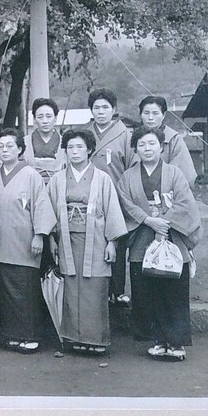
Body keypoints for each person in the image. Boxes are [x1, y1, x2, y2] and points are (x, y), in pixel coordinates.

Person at [116, 125, 202, 362]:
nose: (147, 148)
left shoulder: (174, 173)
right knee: (147, 293)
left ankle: (176, 343)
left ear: (161, 146)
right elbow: (124, 204)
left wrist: (164, 222)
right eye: (141, 144)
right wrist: (148, 220)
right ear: (135, 149)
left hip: (173, 238)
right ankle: (158, 340)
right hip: (142, 238)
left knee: (173, 292)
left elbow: (185, 202)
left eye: (152, 143)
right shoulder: (127, 177)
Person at [47, 129, 128, 355]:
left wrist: (112, 243)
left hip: (96, 238)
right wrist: (51, 239)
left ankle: (96, 339)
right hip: (66, 238)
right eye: (70, 147)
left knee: (95, 286)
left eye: (80, 147)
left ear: (90, 149)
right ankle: (72, 338)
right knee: (71, 287)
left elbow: (112, 211)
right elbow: (50, 210)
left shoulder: (102, 178)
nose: (75, 151)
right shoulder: (57, 179)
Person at [0, 127, 57, 354]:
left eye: (10, 145)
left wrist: (39, 235)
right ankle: (12, 334)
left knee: (26, 290)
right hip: (0, 240)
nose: (4, 150)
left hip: (25, 240)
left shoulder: (31, 174)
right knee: (6, 291)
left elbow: (41, 206)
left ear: (20, 149)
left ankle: (30, 335)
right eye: (0, 146)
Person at [88, 87, 136, 305]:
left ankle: (118, 290)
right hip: (90, 195)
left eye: (105, 107)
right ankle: (99, 290)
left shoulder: (125, 134)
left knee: (117, 241)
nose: (100, 112)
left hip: (117, 195)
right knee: (94, 242)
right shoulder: (84, 133)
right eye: (96, 108)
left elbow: (132, 167)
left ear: (114, 109)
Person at [138, 95, 197, 185]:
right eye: (146, 113)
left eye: (155, 113)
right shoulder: (133, 138)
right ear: (140, 115)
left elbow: (185, 173)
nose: (150, 117)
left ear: (163, 115)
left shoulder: (174, 139)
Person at [25, 97, 65, 182]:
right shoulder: (24, 142)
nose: (45, 121)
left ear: (55, 118)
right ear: (35, 120)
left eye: (49, 116)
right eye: (40, 117)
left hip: (58, 185)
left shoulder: (66, 143)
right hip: (31, 185)